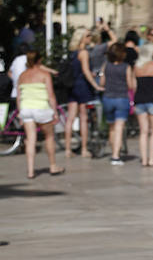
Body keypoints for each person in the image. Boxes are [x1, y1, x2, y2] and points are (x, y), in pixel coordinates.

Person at [17, 50, 64, 178]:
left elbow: (19, 96)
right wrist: (55, 112)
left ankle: (31, 171)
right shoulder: (44, 74)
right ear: (39, 60)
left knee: (30, 140)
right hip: (41, 108)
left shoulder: (22, 76)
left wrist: (20, 113)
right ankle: (53, 166)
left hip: (26, 109)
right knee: (49, 137)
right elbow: (51, 95)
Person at [64, 28, 103, 158]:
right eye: (88, 36)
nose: (90, 38)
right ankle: (84, 149)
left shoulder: (72, 53)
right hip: (82, 86)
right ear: (82, 38)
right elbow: (86, 71)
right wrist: (95, 85)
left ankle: (68, 149)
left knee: (70, 118)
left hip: (72, 86)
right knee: (83, 118)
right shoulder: (84, 53)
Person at [100, 42, 135, 165]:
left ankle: (113, 151)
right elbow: (130, 85)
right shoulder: (126, 67)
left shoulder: (106, 66)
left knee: (111, 127)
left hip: (108, 98)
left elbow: (102, 83)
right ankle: (116, 155)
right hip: (121, 98)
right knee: (120, 127)